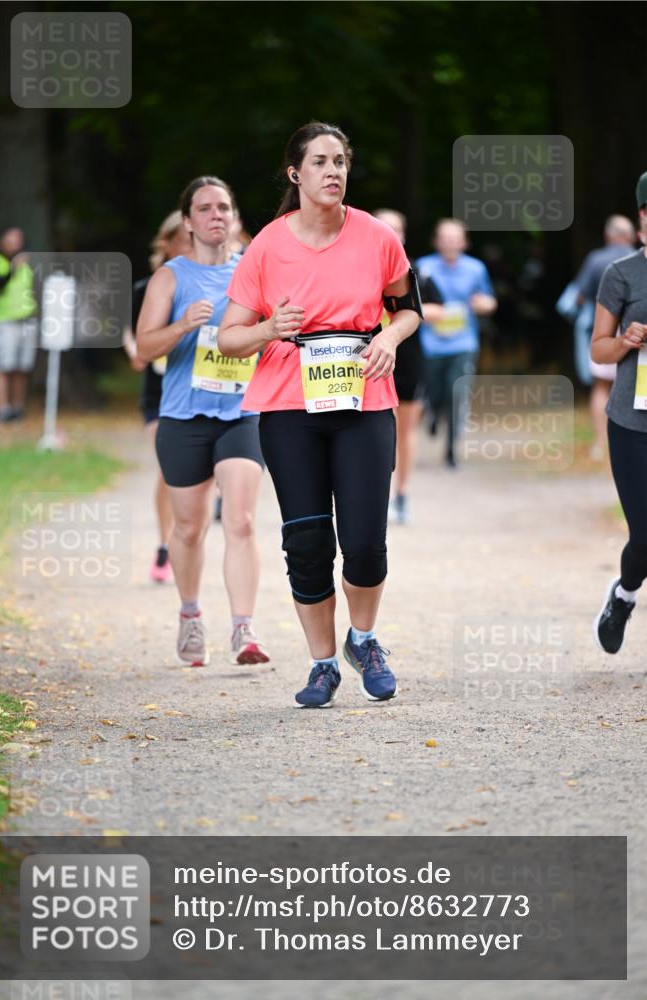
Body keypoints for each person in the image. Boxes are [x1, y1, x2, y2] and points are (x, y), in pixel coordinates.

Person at [218, 122, 422, 708]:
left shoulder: (377, 236)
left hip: (363, 399)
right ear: (295, 174)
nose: (333, 171)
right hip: (288, 405)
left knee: (364, 541)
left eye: (340, 161)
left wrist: (390, 338)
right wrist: (267, 328)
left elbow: (408, 308)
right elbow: (230, 338)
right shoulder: (267, 246)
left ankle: (364, 639)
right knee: (307, 542)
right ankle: (323, 664)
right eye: (320, 162)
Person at [136, 176, 269, 667]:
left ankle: (244, 629)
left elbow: (273, 334)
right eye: (206, 208)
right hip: (183, 416)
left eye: (225, 207)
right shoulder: (170, 278)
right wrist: (182, 325)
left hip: (241, 413)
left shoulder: (252, 273)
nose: (217, 215)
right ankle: (190, 614)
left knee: (243, 520)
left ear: (234, 218)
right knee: (189, 529)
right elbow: (144, 347)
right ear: (188, 221)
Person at [591, 172, 647, 655]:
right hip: (632, 424)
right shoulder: (622, 274)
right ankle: (625, 595)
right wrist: (625, 341)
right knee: (646, 534)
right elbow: (598, 350)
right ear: (643, 218)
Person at [122, 210, 190, 582]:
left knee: (195, 476)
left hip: (198, 389)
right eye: (183, 238)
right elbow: (132, 338)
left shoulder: (210, 285)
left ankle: (186, 537)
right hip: (160, 395)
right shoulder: (145, 289)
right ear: (167, 244)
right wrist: (136, 348)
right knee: (169, 468)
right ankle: (164, 547)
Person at [372, 208, 444, 525]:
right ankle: (375, 495)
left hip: (408, 360)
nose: (392, 234)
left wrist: (407, 311)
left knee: (405, 430)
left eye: (397, 229)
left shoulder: (417, 274)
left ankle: (401, 495)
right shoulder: (358, 270)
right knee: (372, 433)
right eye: (385, 228)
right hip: (367, 363)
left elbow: (440, 310)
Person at [415, 219, 497, 467]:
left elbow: (490, 301)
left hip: (464, 344)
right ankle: (433, 411)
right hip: (430, 344)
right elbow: (411, 304)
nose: (450, 243)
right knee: (435, 393)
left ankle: (451, 450)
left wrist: (483, 304)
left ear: (464, 242)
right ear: (436, 241)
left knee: (457, 394)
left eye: (455, 238)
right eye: (445, 238)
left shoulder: (476, 269)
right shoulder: (423, 267)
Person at [573, 215, 636, 460]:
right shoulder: (638, 259)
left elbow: (579, 296)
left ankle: (601, 443)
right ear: (630, 235)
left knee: (601, 386)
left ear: (608, 235)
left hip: (605, 334)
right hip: (636, 334)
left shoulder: (596, 260)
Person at [0, 227, 38, 421]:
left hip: (26, 320)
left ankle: (18, 408)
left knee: (22, 368)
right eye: (11, 238)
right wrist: (13, 268)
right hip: (2, 321)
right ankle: (2, 409)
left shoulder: (26, 263)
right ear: (1, 240)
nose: (16, 242)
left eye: (19, 239)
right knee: (3, 366)